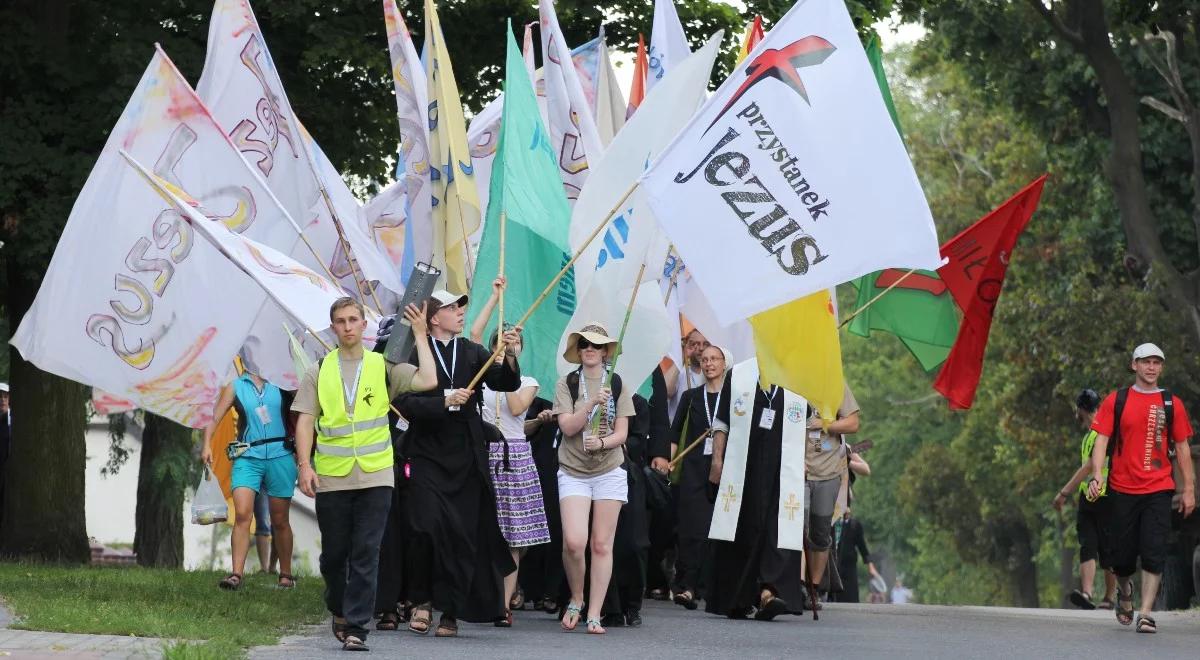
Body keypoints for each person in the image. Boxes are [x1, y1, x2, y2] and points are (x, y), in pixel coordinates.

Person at [293, 298, 438, 652]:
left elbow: (429, 379)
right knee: (334, 556)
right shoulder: (318, 370)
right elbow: (306, 420)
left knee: (366, 551)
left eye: (354, 320)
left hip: (376, 474)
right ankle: (338, 607)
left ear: (363, 325)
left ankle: (358, 626)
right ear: (334, 326)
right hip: (332, 474)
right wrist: (304, 465)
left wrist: (420, 334)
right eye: (340, 321)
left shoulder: (382, 365)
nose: (347, 326)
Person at [395, 290, 523, 638]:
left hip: (466, 455)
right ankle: (420, 600)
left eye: (460, 306)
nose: (460, 312)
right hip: (425, 452)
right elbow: (403, 403)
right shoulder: (413, 353)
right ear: (434, 318)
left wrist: (509, 356)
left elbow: (504, 381)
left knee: (461, 534)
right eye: (452, 307)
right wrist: (444, 400)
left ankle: (450, 610)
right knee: (424, 526)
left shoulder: (471, 351)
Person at [1087, 343, 1194, 634]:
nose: (1151, 367)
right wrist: (1097, 475)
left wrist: (1188, 489)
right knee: (1120, 558)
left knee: (1154, 550)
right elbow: (1101, 441)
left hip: (1158, 489)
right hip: (1122, 489)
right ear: (1134, 365)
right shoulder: (1116, 400)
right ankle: (1125, 591)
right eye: (1145, 362)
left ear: (1161, 367)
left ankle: (1145, 613)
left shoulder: (1172, 403)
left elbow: (1182, 447)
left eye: (1156, 363)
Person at [469, 278, 551, 627]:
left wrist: (510, 360)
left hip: (514, 457)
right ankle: (479, 597)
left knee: (514, 534)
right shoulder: (477, 373)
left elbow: (517, 408)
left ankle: (504, 604)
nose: (501, 347)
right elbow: (473, 335)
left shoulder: (528, 380)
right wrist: (493, 297)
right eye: (497, 343)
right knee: (482, 530)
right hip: (481, 453)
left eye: (510, 343)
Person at [704, 359, 806, 621]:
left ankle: (768, 592)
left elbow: (803, 422)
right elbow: (722, 420)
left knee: (776, 528)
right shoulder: (738, 374)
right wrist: (717, 460)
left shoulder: (797, 375)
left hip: (782, 470)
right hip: (743, 467)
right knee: (745, 528)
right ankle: (739, 597)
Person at [554, 322, 634, 635]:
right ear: (579, 350)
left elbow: (623, 433)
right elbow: (568, 428)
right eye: (585, 344)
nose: (590, 349)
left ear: (605, 352)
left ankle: (595, 613)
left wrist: (601, 442)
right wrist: (590, 403)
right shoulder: (568, 383)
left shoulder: (618, 383)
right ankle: (577, 597)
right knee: (574, 542)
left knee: (601, 544)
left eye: (596, 345)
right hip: (573, 469)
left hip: (609, 469)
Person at [201, 356, 297, 590]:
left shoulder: (282, 381)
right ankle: (236, 574)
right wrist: (206, 444)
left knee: (279, 519)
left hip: (280, 455)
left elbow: (304, 408)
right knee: (243, 514)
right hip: (247, 456)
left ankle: (285, 574)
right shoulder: (236, 385)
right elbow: (215, 415)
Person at [667, 345, 728, 611]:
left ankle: (713, 587)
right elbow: (674, 433)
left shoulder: (735, 397)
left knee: (718, 529)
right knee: (691, 528)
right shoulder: (691, 396)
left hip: (726, 469)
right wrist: (667, 461)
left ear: (724, 364)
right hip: (693, 468)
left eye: (714, 359)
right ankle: (687, 587)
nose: (709, 363)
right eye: (704, 359)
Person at [1052, 388, 1116, 610]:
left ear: (1081, 410)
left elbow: (1089, 467)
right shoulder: (1090, 434)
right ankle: (1087, 593)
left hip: (1107, 495)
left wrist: (1063, 492)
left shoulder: (1103, 432)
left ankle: (1109, 597)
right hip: (1088, 498)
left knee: (1108, 548)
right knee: (1088, 544)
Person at [804, 386, 861, 613]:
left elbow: (853, 424)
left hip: (828, 471)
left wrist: (824, 424)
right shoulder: (790, 378)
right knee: (797, 528)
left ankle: (814, 588)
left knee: (819, 533)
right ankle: (796, 586)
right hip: (796, 469)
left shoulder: (836, 383)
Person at [830, 504, 881, 603]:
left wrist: (870, 565)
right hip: (835, 564)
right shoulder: (833, 524)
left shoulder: (855, 525)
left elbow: (862, 546)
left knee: (851, 595)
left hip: (850, 566)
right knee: (835, 594)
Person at [0, 382, 9, 533]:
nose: (2, 399)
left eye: (5, 396)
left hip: (8, 475)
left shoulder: (14, 423)